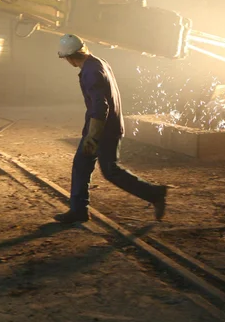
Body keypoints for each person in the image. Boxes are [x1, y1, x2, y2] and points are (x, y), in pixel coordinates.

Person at [54, 34, 168, 224]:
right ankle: (79, 210)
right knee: (82, 165)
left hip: (104, 130)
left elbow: (100, 107)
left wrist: (93, 135)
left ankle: (154, 193)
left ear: (71, 56)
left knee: (110, 171)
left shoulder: (90, 72)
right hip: (105, 127)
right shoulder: (98, 63)